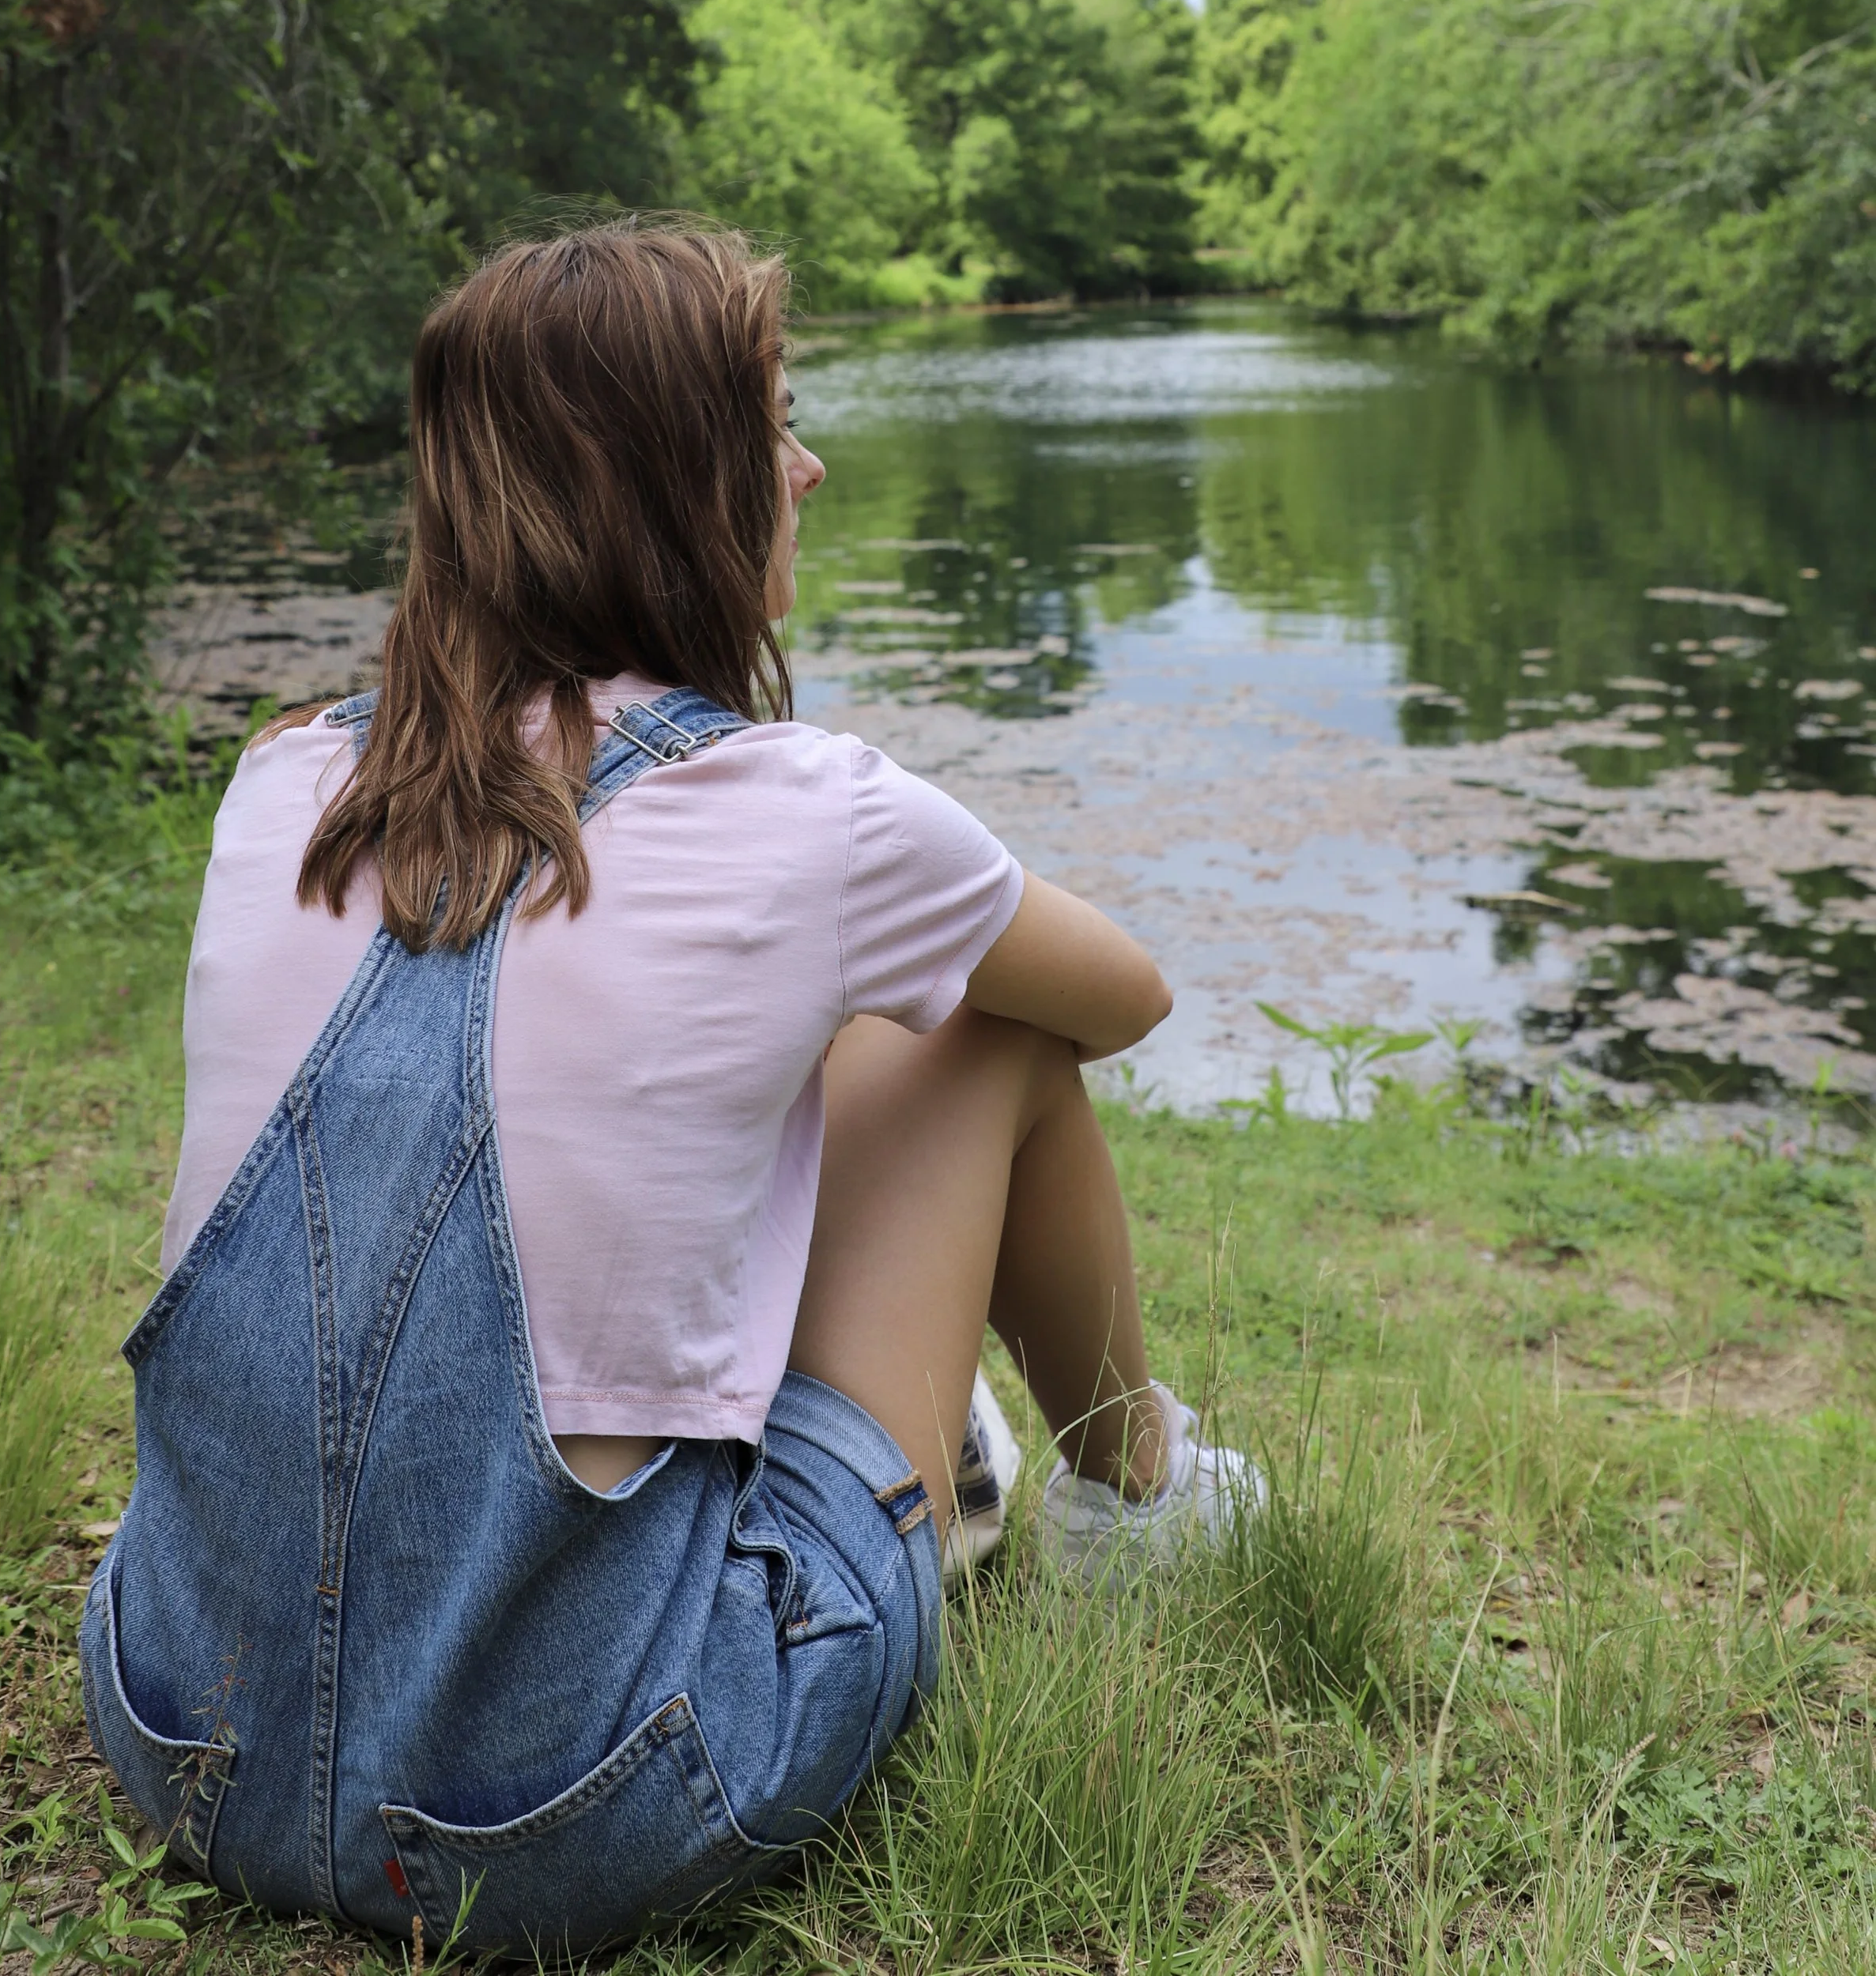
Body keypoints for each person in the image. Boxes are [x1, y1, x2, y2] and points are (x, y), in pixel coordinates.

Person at [82, 224, 1256, 1959]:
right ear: (671, 482)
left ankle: (980, 1463)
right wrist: (854, 971)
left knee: (754, 1052)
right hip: (583, 1807)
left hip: (180, 1730)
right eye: (773, 422)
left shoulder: (279, 785)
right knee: (977, 1027)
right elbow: (1121, 999)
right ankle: (1132, 1495)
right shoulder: (816, 812)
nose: (808, 464)